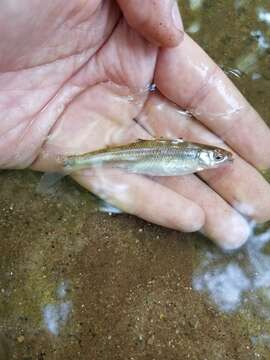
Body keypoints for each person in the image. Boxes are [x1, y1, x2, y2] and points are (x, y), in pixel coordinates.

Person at [1, 0, 270, 249]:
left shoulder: (194, 157)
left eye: (217, 156)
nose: (219, 158)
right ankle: (71, 161)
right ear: (203, 155)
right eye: (216, 156)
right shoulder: (193, 156)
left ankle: (72, 161)